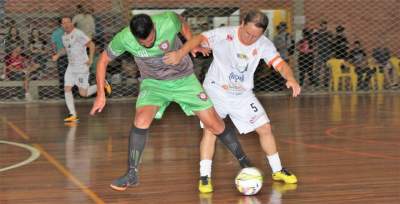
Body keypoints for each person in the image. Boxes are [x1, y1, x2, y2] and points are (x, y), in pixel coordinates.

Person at [90, 12, 252, 192]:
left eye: (150, 39)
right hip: (153, 83)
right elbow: (103, 60)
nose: (147, 44)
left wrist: (190, 46)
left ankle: (244, 161)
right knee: (140, 121)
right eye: (142, 43)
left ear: (154, 27)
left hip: (184, 79)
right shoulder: (124, 38)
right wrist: (100, 94)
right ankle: (131, 174)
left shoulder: (167, 21)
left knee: (214, 124)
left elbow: (181, 23)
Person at [164, 10, 301, 193]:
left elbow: (281, 64)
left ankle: (277, 170)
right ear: (242, 23)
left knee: (265, 128)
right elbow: (197, 39)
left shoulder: (264, 44)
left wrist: (290, 78)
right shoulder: (224, 34)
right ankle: (205, 177)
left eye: (256, 36)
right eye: (248, 33)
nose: (250, 39)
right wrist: (181, 53)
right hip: (216, 90)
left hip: (242, 94)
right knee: (210, 132)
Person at [52, 16, 111, 122]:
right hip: (71, 67)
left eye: (68, 22)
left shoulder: (78, 33)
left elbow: (91, 45)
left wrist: (91, 59)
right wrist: (57, 55)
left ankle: (101, 85)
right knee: (67, 88)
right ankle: (73, 115)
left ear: (71, 23)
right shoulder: (64, 36)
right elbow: (66, 49)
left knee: (83, 93)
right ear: (61, 26)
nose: (66, 24)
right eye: (64, 23)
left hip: (81, 67)